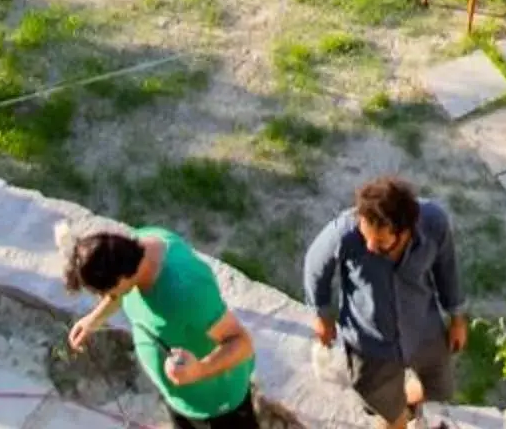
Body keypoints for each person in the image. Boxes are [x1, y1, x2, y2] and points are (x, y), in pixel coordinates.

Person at [304, 177, 466, 429]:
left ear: (404, 233)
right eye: (365, 236)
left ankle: (402, 403)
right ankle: (393, 412)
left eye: (379, 243)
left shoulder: (434, 224)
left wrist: (457, 318)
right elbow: (315, 267)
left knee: (440, 388)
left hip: (423, 331)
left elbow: (448, 270)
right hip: (370, 344)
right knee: (389, 418)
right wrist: (322, 315)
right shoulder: (345, 232)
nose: (369, 246)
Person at [66, 225, 258, 429]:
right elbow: (118, 294)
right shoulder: (134, 249)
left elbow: (241, 342)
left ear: (121, 278)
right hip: (180, 395)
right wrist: (94, 320)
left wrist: (199, 370)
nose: (102, 298)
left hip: (217, 402)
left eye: (103, 291)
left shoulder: (187, 293)